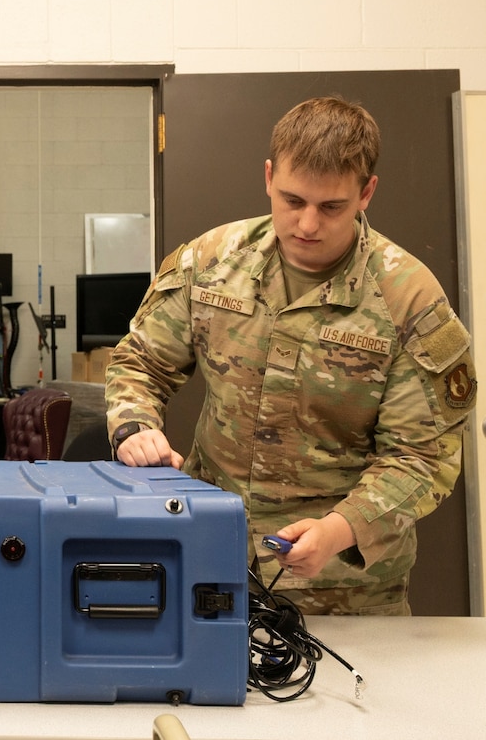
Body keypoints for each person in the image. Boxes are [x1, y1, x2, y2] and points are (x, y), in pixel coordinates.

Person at [105, 96, 476, 615]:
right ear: (268, 177)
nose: (307, 224)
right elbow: (141, 363)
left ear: (366, 192)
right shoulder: (210, 262)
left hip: (343, 588)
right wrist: (133, 426)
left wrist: (338, 530)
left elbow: (421, 458)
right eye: (291, 199)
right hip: (212, 558)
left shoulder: (407, 297)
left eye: (331, 207)